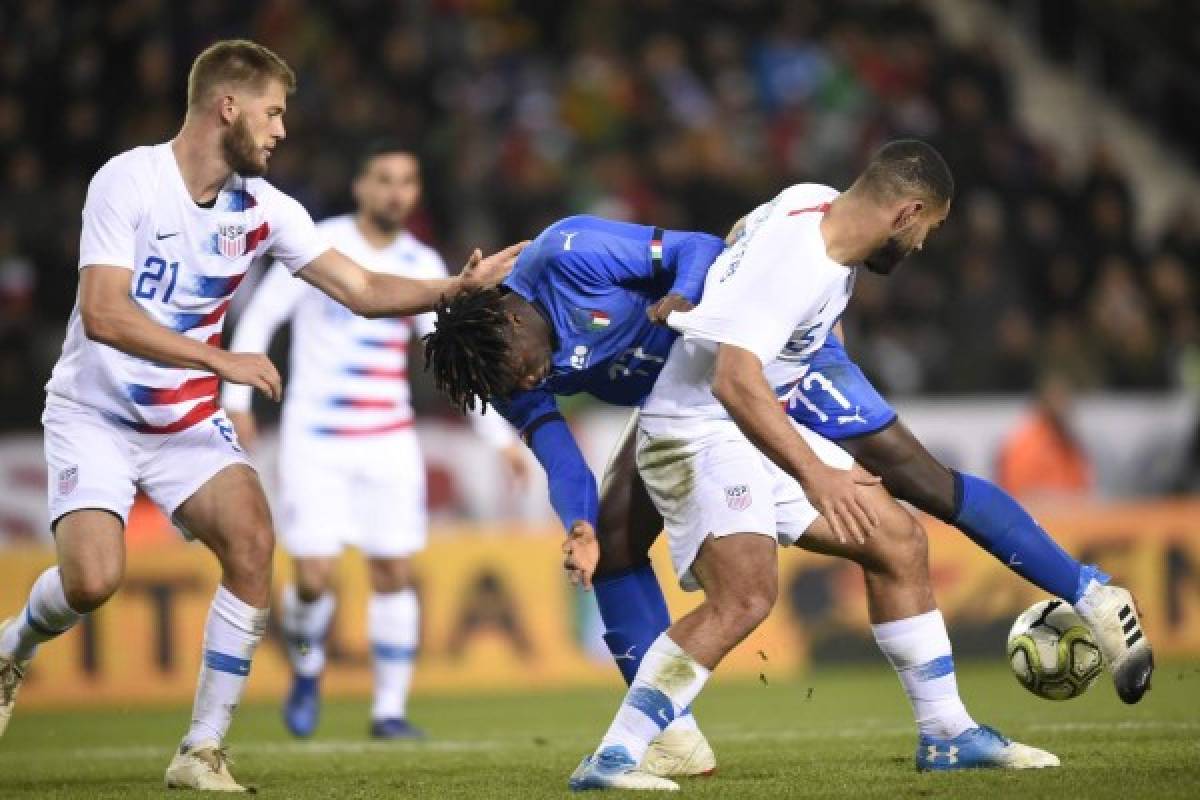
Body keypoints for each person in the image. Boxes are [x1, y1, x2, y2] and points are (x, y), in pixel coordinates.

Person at [424, 198, 1152, 775]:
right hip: (689, 408)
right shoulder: (500, 368)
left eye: (516, 364)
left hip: (765, 363)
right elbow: (562, 459)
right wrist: (576, 525)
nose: (525, 381)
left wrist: (681, 296)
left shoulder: (569, 252)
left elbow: (699, 251)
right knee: (614, 547)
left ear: (508, 311)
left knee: (919, 487)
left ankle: (1088, 591)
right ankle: (667, 735)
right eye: (508, 383)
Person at [0, 39, 523, 793]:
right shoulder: (129, 180)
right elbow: (104, 314)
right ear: (228, 106)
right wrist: (221, 361)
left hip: (183, 421)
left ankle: (201, 749)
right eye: (273, 113)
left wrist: (456, 287)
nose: (281, 130)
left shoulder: (267, 210)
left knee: (252, 546)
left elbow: (364, 288)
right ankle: (14, 647)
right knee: (91, 583)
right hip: (96, 412)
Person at [568, 140, 1068, 790]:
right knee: (745, 598)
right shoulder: (799, 265)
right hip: (700, 426)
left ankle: (947, 733)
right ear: (907, 212)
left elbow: (738, 238)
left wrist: (729, 303)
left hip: (745, 420)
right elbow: (733, 379)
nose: (921, 246)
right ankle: (612, 760)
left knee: (897, 540)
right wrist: (817, 472)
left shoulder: (808, 203)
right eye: (928, 230)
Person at [221, 140, 524, 741]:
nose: (396, 192)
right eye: (384, 179)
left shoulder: (418, 258)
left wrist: (499, 437)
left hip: (388, 439)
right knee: (312, 577)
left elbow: (454, 354)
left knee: (393, 571)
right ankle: (307, 670)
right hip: (316, 438)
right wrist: (236, 399)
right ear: (360, 186)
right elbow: (261, 315)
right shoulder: (318, 243)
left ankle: (389, 710)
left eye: (407, 182)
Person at [997, 371, 1094, 502]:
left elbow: (1083, 487)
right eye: (1057, 399)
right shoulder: (1024, 445)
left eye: (1065, 399)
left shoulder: (1070, 444)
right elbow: (1017, 493)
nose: (1063, 407)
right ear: (1043, 402)